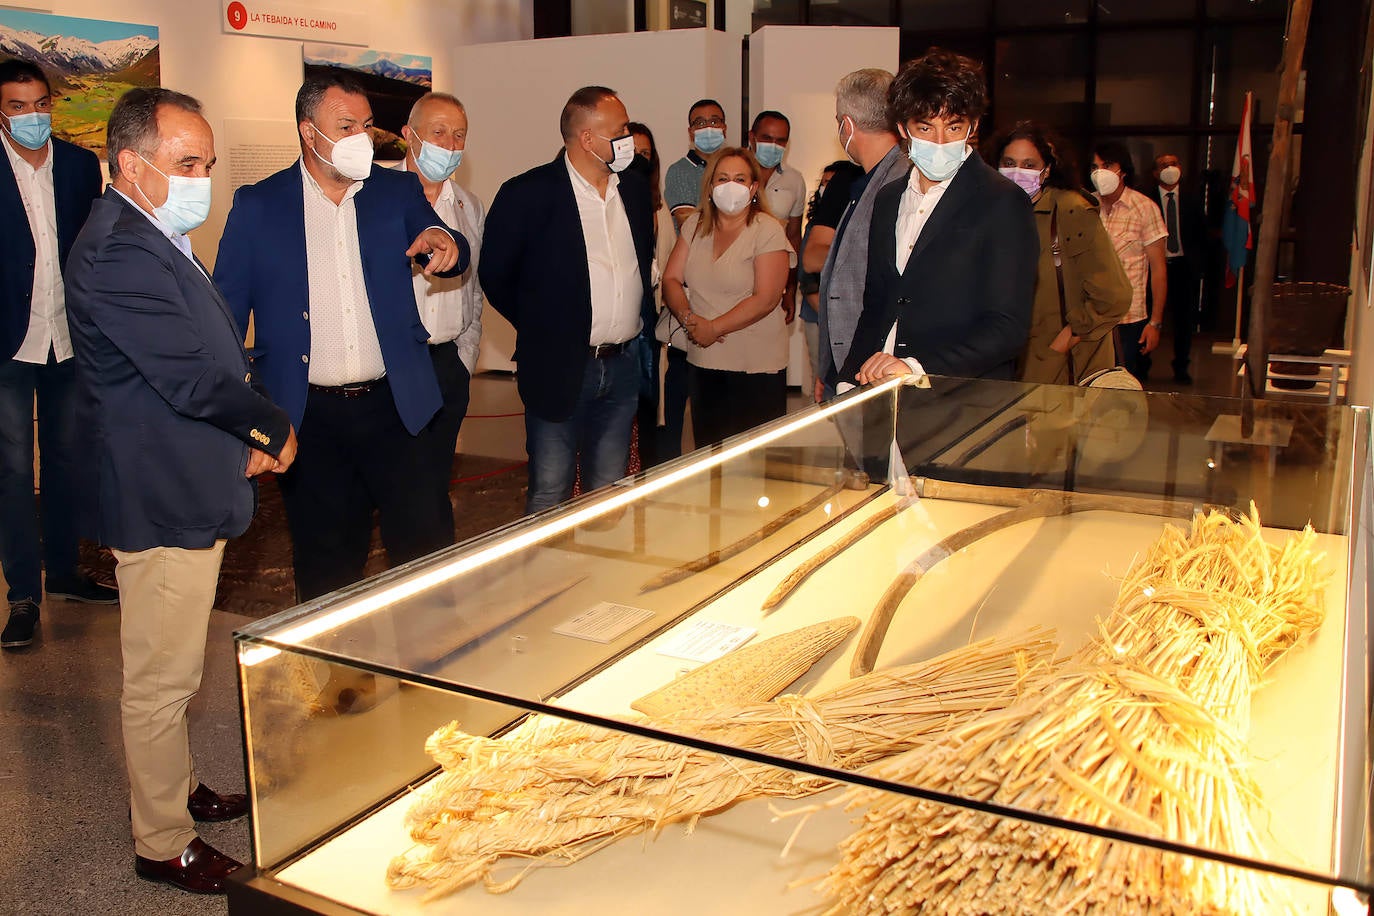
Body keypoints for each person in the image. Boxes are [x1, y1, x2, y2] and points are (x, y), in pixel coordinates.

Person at [65, 87, 297, 894]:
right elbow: (190, 377)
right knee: (159, 677)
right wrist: (268, 427)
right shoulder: (117, 252)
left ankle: (177, 788)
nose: (202, 176)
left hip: (186, 467)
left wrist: (237, 435)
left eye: (205, 159)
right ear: (131, 165)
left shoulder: (153, 230)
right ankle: (161, 838)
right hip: (158, 491)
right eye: (186, 163)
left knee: (177, 664)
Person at [214, 71, 468, 601]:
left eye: (367, 125)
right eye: (346, 125)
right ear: (310, 133)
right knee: (327, 566)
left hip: (398, 408)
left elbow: (444, 237)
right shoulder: (259, 206)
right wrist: (238, 414)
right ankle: (339, 681)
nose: (361, 137)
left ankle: (429, 668)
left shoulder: (395, 191)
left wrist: (442, 240)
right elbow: (226, 319)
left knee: (424, 557)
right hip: (310, 419)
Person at [480, 86, 655, 514]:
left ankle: (594, 576)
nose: (628, 137)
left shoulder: (633, 188)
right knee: (550, 489)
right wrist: (544, 326)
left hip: (623, 364)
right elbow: (496, 275)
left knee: (607, 491)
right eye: (620, 130)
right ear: (588, 139)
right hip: (558, 367)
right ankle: (545, 579)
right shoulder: (527, 193)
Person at [0, 58, 112, 649]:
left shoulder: (74, 166)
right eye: (18, 106)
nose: (32, 116)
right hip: (9, 345)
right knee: (15, 472)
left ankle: (67, 573)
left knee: (69, 460)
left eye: (40, 103)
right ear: (1, 111)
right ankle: (22, 595)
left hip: (68, 338)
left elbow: (89, 251)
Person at [841, 50, 1038, 388]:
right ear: (903, 128)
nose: (941, 141)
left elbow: (1007, 327)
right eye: (925, 127)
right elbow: (876, 304)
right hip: (881, 396)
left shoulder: (1003, 201)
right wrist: (848, 379)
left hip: (961, 401)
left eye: (954, 126)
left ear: (972, 126)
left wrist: (916, 367)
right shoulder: (889, 200)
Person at [662, 147, 793, 446]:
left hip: (756, 366)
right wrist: (688, 319)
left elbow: (767, 298)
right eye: (722, 178)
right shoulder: (694, 226)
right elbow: (670, 278)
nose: (730, 186)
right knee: (711, 460)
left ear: (754, 187)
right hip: (704, 361)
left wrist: (713, 328)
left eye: (739, 178)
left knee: (755, 467)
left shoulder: (768, 230)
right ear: (709, 186)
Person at [988, 122, 1132, 384]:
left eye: (1029, 165)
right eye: (1008, 162)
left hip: (1060, 366)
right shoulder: (994, 213)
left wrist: (1064, 341)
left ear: (1046, 171)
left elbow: (1114, 296)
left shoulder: (1070, 210)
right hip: (1007, 361)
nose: (1017, 172)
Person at [401, 91, 483, 525]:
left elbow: (475, 291)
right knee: (399, 487)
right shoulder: (376, 199)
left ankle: (432, 572)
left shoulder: (470, 206)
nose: (449, 145)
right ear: (408, 136)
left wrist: (464, 356)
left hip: (448, 363)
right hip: (395, 366)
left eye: (458, 135)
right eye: (438, 133)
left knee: (434, 481)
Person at [805, 68, 909, 400]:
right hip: (852, 363)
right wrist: (833, 367)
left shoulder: (902, 180)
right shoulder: (866, 180)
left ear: (847, 125)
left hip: (877, 364)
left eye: (838, 121)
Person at [628, 121, 683, 464]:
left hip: (651, 324)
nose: (638, 160)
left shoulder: (659, 208)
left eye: (645, 154)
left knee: (648, 408)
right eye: (631, 152)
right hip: (613, 328)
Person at [1091, 142, 1168, 385]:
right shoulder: (1084, 206)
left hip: (1129, 318)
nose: (1100, 172)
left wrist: (1155, 323)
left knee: (1123, 387)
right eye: (1095, 167)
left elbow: (1158, 271)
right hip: (1090, 316)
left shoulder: (1144, 208)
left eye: (1107, 166)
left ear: (1122, 170)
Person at [798, 160, 862, 399]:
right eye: (824, 184)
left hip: (848, 322)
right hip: (818, 316)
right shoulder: (817, 229)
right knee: (823, 379)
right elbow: (809, 272)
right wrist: (829, 313)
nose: (828, 189)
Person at [1150, 153, 1207, 384]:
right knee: (1151, 317)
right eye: (1164, 166)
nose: (1170, 168)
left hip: (1183, 266)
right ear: (1155, 173)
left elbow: (1202, 235)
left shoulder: (1192, 199)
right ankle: (1142, 365)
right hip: (1155, 267)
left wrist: (1199, 266)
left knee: (1184, 321)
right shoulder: (1148, 199)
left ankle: (1181, 367)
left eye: (1174, 164)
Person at [748, 109, 805, 322]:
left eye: (781, 141)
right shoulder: (732, 169)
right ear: (751, 137)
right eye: (767, 138)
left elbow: (793, 236)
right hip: (734, 277)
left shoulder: (795, 180)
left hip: (773, 280)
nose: (773, 146)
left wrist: (790, 290)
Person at [664, 98, 727, 231]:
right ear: (691, 132)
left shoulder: (735, 167)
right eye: (700, 123)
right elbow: (688, 223)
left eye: (714, 122)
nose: (708, 128)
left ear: (724, 128)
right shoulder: (679, 171)